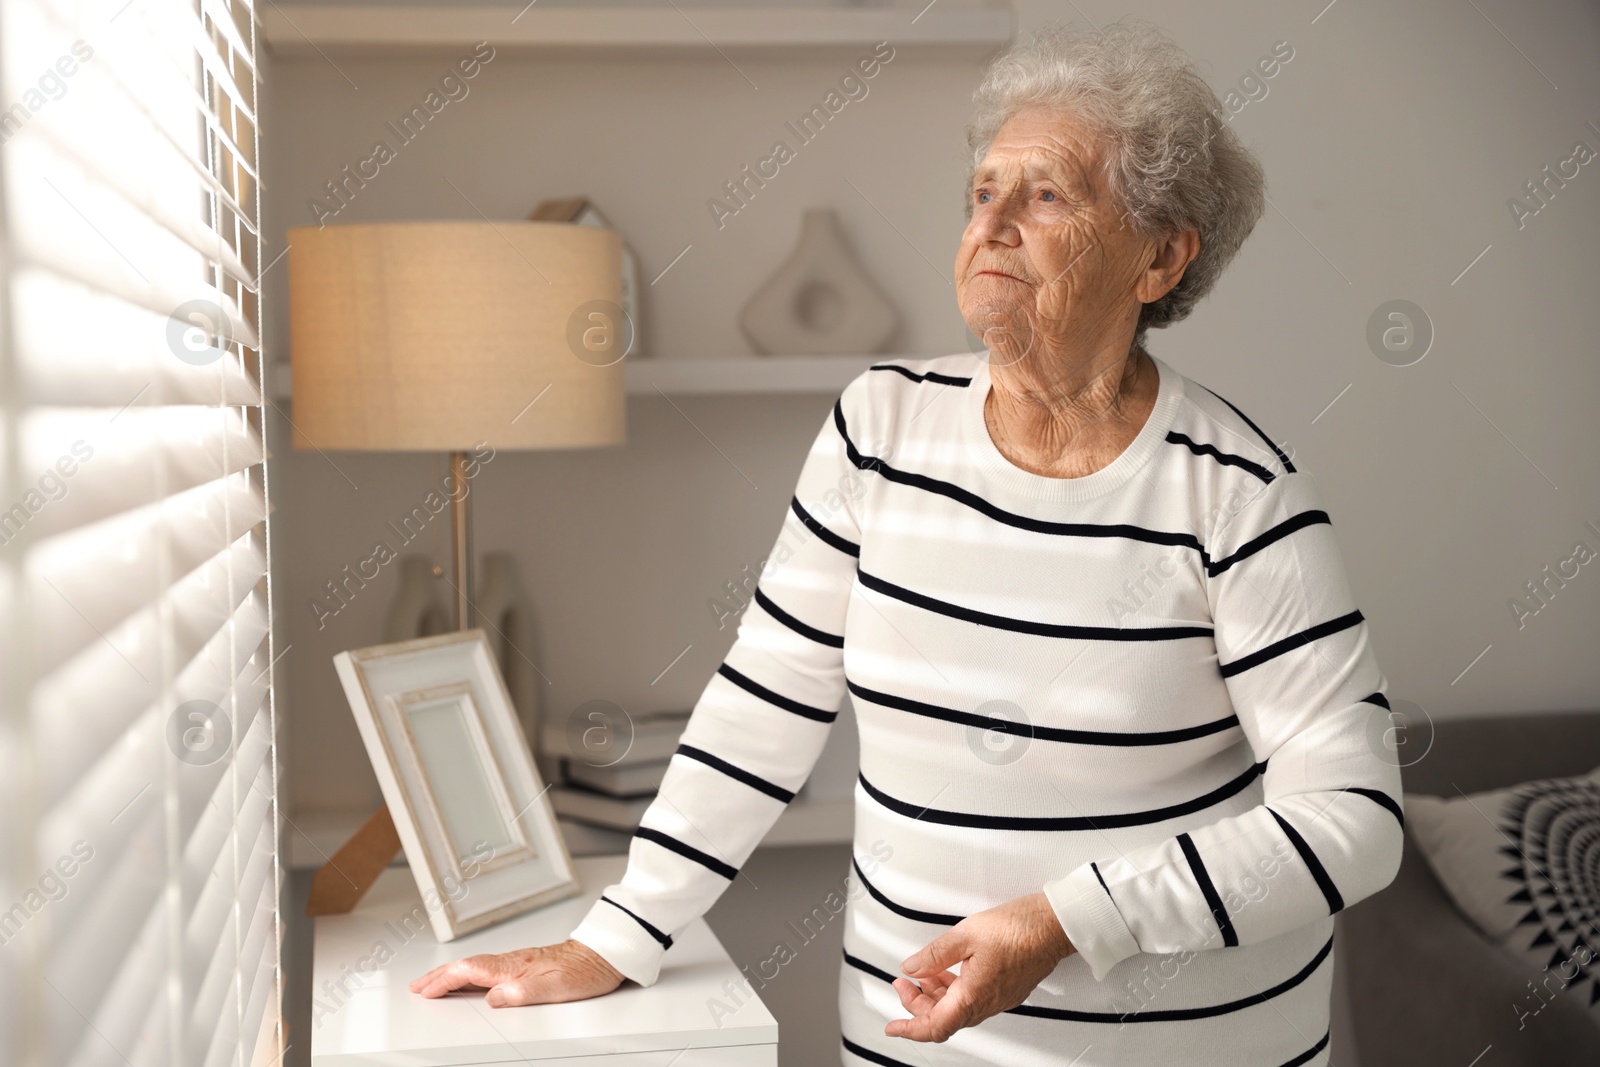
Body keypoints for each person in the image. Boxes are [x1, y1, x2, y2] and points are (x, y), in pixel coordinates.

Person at [410, 19, 1403, 1065]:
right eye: (983, 192)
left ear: (1159, 257)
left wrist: (1066, 919)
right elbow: (763, 704)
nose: (994, 225)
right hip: (912, 1042)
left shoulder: (1241, 496)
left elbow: (1353, 816)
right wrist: (620, 933)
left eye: (1048, 194)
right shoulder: (878, 430)